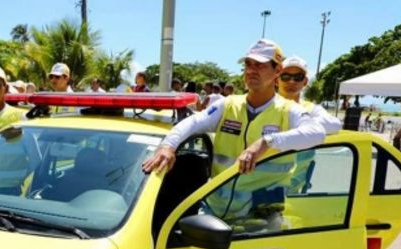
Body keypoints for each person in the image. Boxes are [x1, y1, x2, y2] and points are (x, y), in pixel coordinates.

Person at [143, 39, 326, 229]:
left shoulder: (288, 110)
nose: (252, 70)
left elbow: (317, 133)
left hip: (261, 219)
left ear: (277, 71)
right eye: (248, 64)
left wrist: (266, 142)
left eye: (260, 65)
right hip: (215, 213)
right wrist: (168, 146)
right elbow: (193, 122)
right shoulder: (228, 105)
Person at [275, 56, 341, 193]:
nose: (291, 81)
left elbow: (335, 125)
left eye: (298, 77)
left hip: (295, 190)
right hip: (263, 185)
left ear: (305, 82)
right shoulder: (267, 106)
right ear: (277, 80)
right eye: (285, 76)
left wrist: (300, 122)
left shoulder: (311, 109)